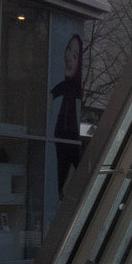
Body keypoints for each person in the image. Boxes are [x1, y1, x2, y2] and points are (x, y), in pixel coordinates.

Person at [50, 34, 83, 196]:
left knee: (64, 177)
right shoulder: (63, 86)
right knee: (62, 177)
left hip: (67, 137)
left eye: (75, 55)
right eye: (69, 50)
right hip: (64, 137)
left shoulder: (70, 88)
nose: (69, 57)